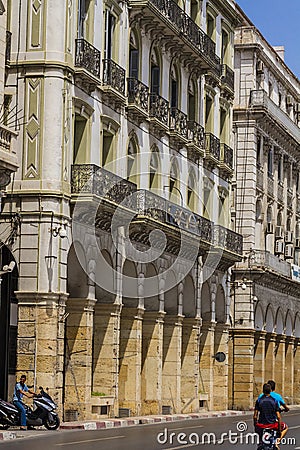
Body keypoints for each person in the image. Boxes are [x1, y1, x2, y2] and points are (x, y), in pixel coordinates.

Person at [254, 383, 288, 450]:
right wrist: (279, 430)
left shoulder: (259, 400)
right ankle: (277, 442)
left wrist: (255, 425)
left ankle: (260, 442)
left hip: (261, 425)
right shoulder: (274, 401)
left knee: (259, 435)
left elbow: (255, 416)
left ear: (263, 391)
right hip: (272, 425)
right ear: (271, 390)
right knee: (285, 427)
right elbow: (278, 417)